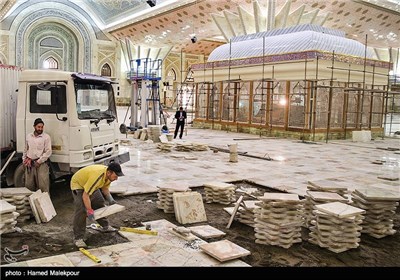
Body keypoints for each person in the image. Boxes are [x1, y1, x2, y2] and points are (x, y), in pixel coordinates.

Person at [70, 162, 124, 248]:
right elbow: (85, 195)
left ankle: (105, 226)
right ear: (109, 172)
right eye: (115, 176)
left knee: (99, 201)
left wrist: (111, 200)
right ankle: (78, 238)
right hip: (78, 184)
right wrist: (90, 211)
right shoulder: (96, 177)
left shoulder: (108, 177)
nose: (116, 178)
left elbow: (105, 188)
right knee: (82, 211)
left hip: (89, 183)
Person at [22, 118, 52, 193]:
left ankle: (45, 203)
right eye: (38, 127)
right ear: (34, 126)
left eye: (42, 127)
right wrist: (24, 160)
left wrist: (39, 161)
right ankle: (30, 203)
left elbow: (48, 151)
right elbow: (26, 149)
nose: (40, 129)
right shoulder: (29, 136)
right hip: (30, 163)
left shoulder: (46, 137)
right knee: (29, 185)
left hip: (41, 164)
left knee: (43, 186)